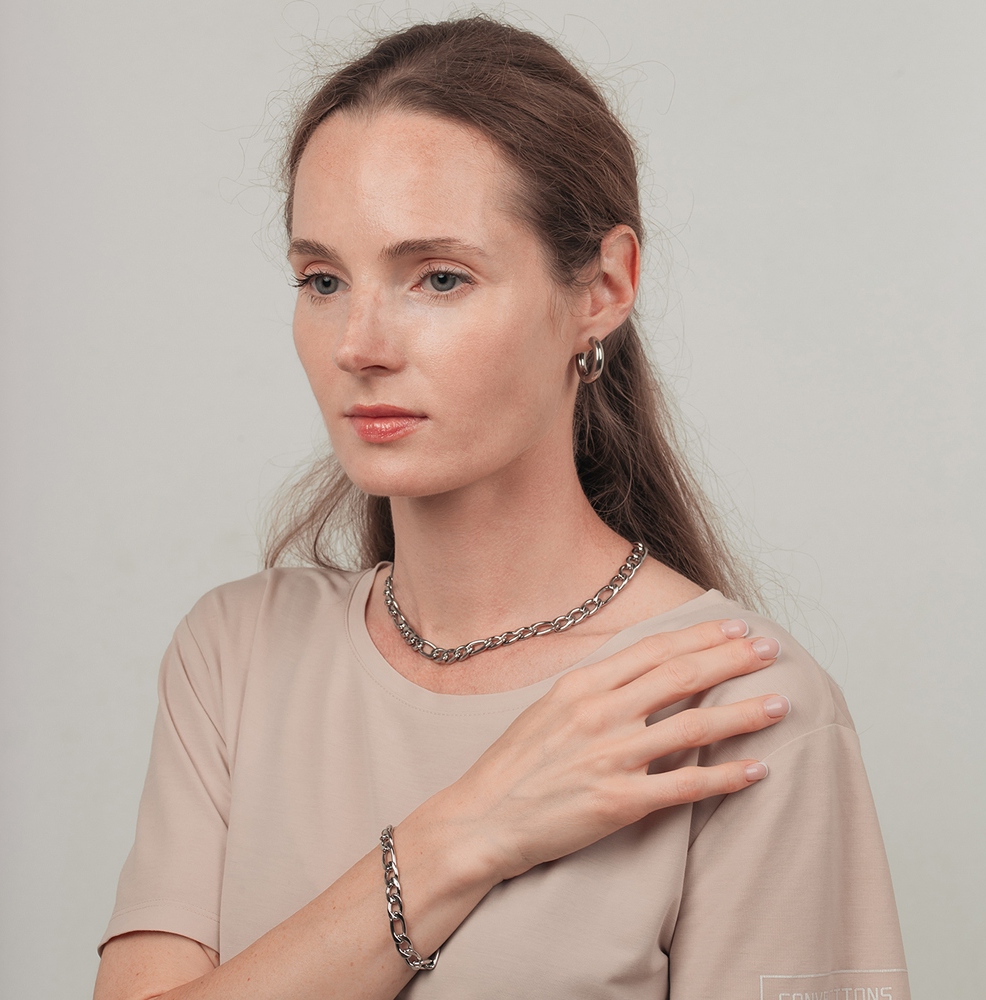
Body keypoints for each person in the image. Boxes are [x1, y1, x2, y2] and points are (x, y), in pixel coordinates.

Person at [93, 16, 909, 1000]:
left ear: (603, 287)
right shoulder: (237, 656)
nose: (359, 344)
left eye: (438, 277)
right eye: (323, 280)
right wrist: (468, 828)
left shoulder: (732, 707)